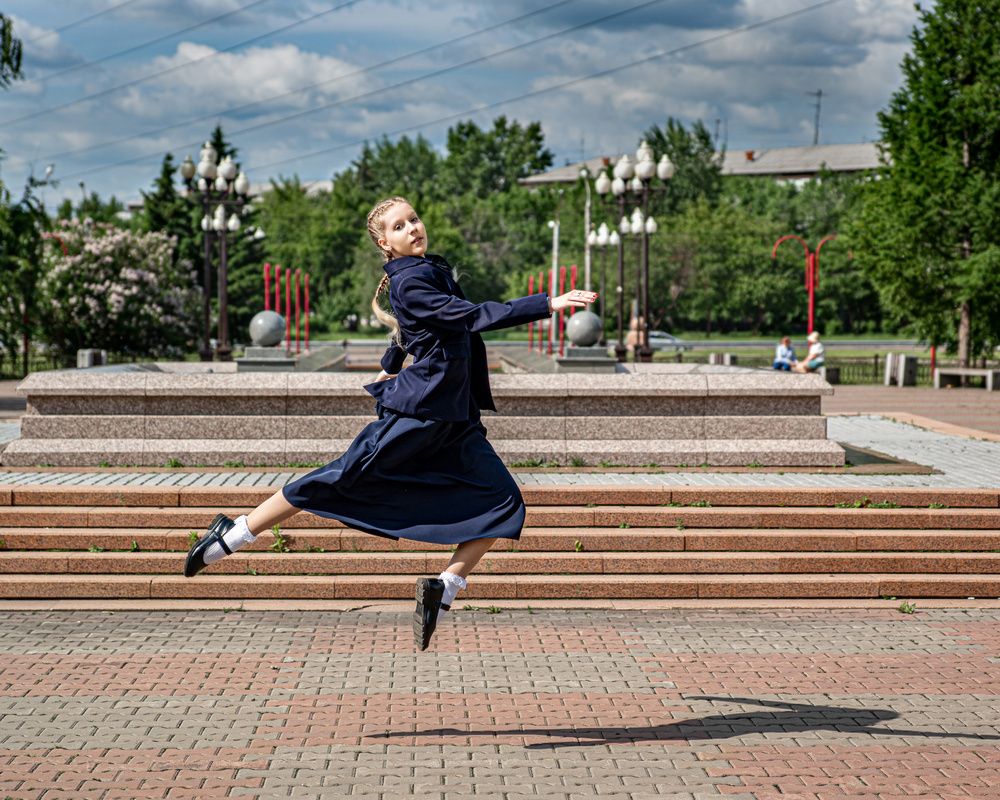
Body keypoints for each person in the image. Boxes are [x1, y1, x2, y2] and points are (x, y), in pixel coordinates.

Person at [183, 196, 597, 650]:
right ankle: (236, 534)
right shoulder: (411, 281)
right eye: (399, 226)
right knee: (340, 477)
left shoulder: (427, 270)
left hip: (456, 416)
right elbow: (469, 317)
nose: (412, 228)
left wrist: (389, 363)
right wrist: (547, 303)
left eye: (414, 219)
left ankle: (443, 590)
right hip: (422, 412)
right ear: (385, 242)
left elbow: (410, 329)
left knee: (505, 503)